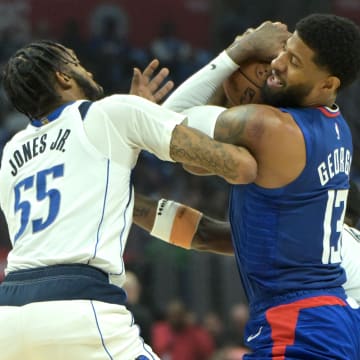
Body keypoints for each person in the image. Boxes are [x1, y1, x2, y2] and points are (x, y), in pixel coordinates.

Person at [0, 31, 288, 359]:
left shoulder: (12, 152)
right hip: (78, 307)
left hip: (8, 314)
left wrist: (134, 133)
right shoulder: (111, 112)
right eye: (76, 63)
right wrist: (240, 58)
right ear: (63, 77)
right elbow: (240, 167)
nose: (88, 71)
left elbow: (95, 190)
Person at [133, 13, 360, 359]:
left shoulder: (270, 129)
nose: (277, 64)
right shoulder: (337, 130)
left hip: (300, 325)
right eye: (283, 50)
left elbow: (163, 123)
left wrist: (237, 53)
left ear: (327, 85)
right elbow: (216, 236)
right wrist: (125, 202)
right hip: (320, 319)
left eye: (294, 61)